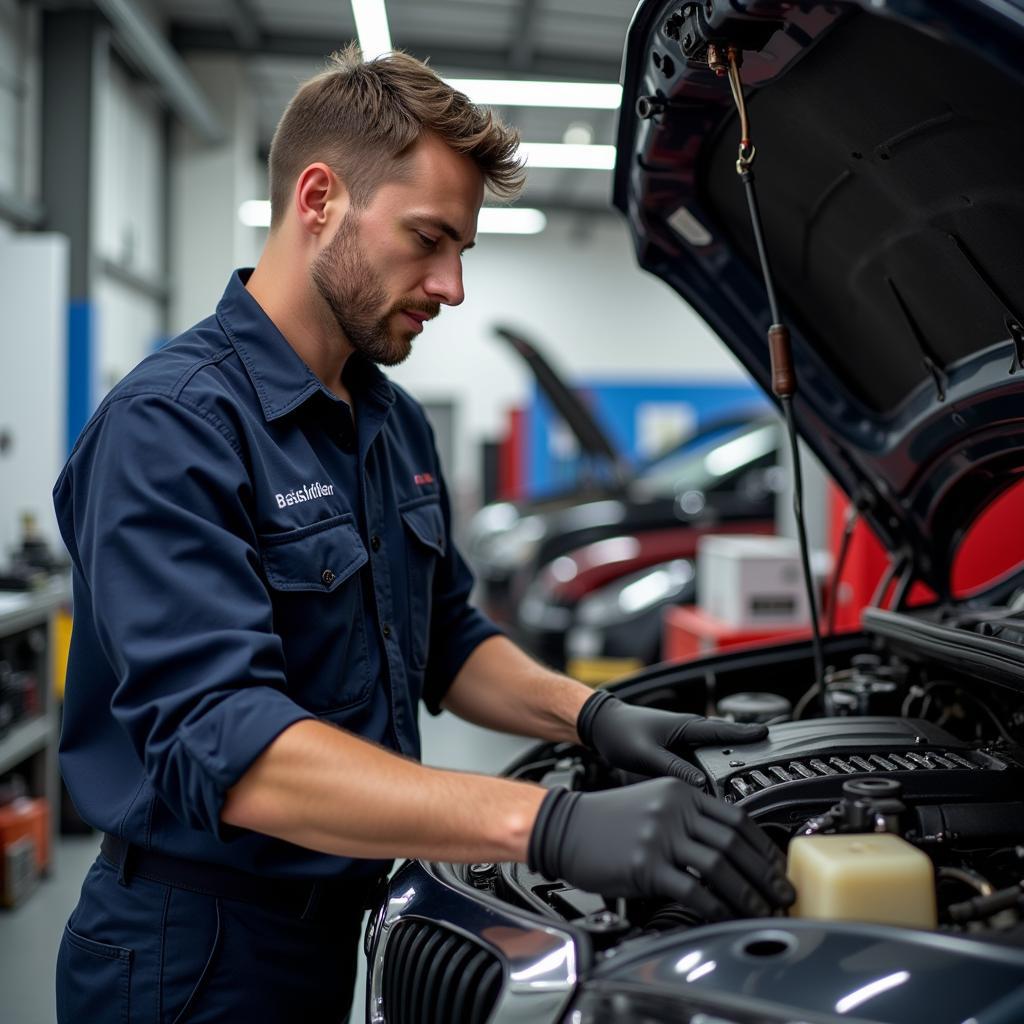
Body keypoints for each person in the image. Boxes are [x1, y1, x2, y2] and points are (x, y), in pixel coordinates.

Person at [53, 45, 794, 1024]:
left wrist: (590, 716)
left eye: (463, 252)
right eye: (427, 239)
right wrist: (545, 823)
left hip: (333, 931)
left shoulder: (391, 423)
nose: (451, 287)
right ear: (318, 199)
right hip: (187, 953)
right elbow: (230, 746)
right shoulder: (173, 426)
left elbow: (445, 639)